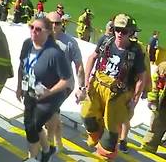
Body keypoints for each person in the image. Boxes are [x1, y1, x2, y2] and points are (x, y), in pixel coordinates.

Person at [80, 14, 146, 159]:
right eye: (117, 29)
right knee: (86, 116)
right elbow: (92, 58)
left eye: (124, 31)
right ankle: (96, 138)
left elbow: (142, 78)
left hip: (118, 95)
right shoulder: (105, 41)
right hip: (97, 86)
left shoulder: (136, 52)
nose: (120, 34)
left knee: (111, 130)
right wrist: (85, 82)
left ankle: (104, 155)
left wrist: (134, 101)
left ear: (131, 32)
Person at [16, 17, 71, 162]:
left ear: (47, 32)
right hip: (30, 91)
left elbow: (66, 80)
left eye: (38, 29)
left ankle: (33, 158)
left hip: (49, 98)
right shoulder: (27, 44)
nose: (34, 31)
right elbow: (22, 66)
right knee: (30, 124)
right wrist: (18, 87)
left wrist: (49, 92)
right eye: (32, 27)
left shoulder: (54, 53)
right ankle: (47, 150)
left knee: (33, 125)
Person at [45, 11, 85, 151]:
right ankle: (59, 142)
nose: (55, 26)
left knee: (50, 112)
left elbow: (79, 66)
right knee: (54, 112)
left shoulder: (70, 42)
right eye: (52, 23)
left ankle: (50, 143)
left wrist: (82, 88)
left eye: (58, 23)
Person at [142, 61, 166, 153]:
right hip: (162, 104)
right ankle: (149, 147)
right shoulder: (163, 67)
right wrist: (152, 100)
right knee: (156, 125)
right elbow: (154, 84)